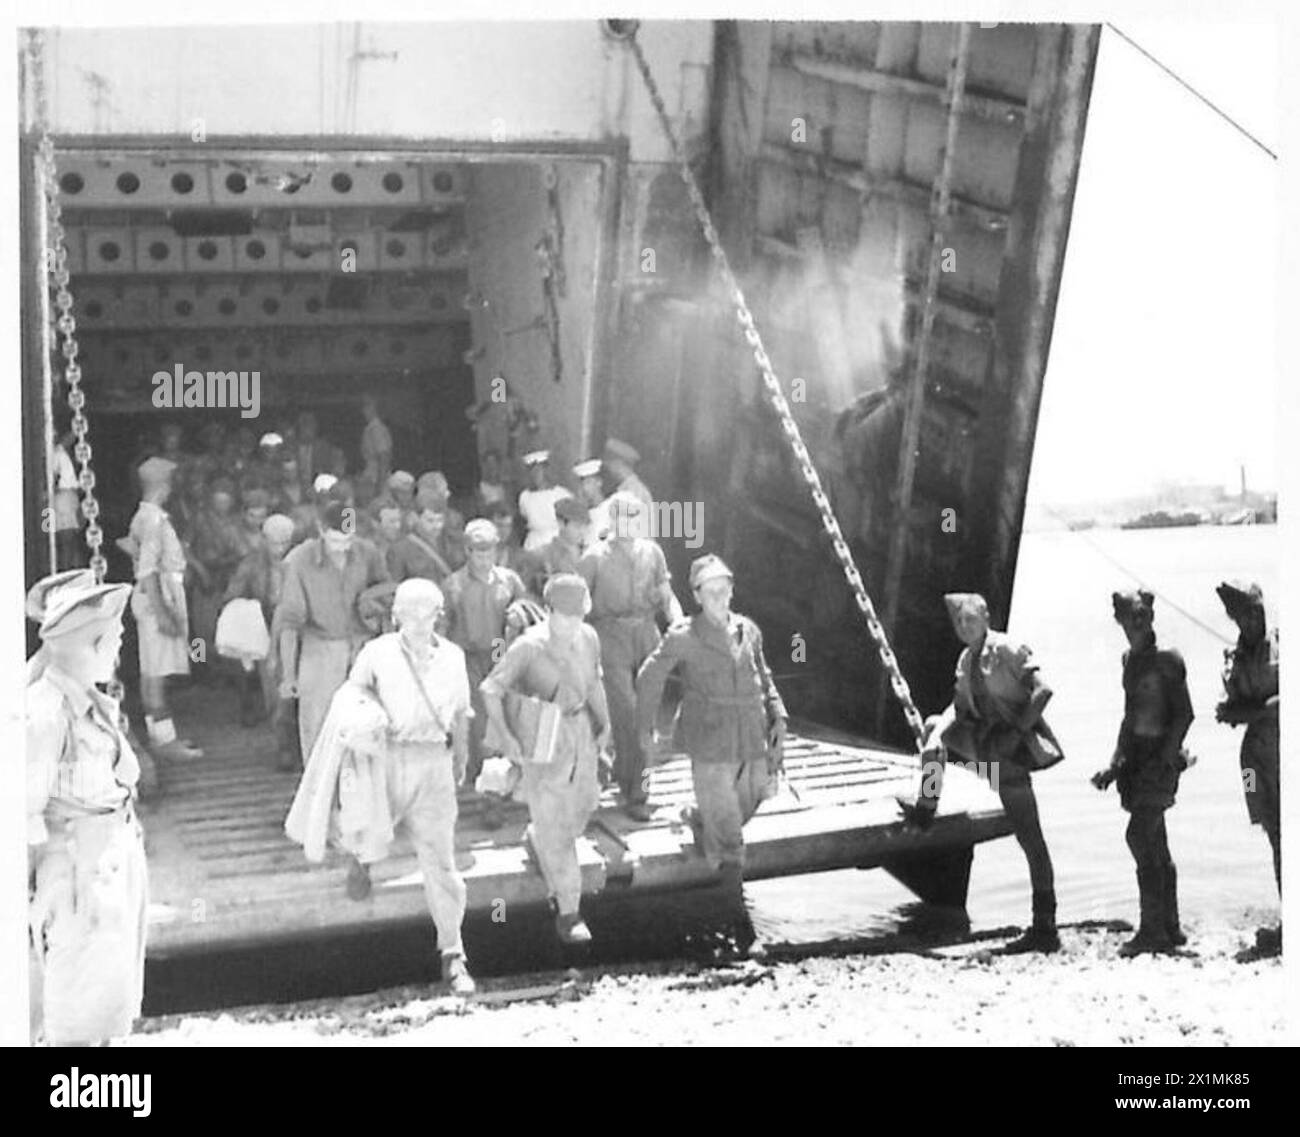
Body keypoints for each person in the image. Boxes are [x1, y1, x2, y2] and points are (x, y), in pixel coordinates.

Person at [286, 579, 476, 995]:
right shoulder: (378, 653)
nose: (419, 622)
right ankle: (362, 860)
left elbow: (462, 713)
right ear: (396, 616)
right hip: (387, 756)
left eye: (427, 613)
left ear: (439, 615)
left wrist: (461, 758)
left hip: (433, 761)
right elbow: (351, 693)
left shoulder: (454, 659)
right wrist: (364, 721)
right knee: (367, 825)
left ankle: (453, 952)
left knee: (441, 859)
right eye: (410, 613)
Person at [635, 555, 786, 957]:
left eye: (725, 589)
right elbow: (649, 677)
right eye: (711, 591)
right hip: (711, 738)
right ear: (697, 596)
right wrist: (645, 728)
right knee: (731, 836)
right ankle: (743, 931)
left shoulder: (747, 630)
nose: (720, 597)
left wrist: (778, 714)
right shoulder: (684, 635)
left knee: (751, 801)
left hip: (750, 735)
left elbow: (763, 675)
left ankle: (703, 822)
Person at [903, 592, 1064, 953]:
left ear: (986, 617)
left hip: (1010, 755)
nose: (964, 627)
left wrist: (1016, 732)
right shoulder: (966, 659)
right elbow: (959, 708)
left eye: (971, 620)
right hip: (986, 747)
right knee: (932, 728)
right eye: (959, 622)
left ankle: (1045, 926)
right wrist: (939, 738)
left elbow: (1043, 692)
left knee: (1031, 840)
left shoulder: (1006, 648)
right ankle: (926, 808)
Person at [26, 572, 147, 1045]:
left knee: (105, 1009)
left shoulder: (91, 702)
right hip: (78, 882)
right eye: (111, 640)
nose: (117, 650)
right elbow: (20, 817)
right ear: (85, 643)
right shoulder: (46, 713)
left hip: (109, 869)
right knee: (75, 1015)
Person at [480, 574, 611, 945]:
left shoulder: (588, 638)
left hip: (581, 730)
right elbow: (491, 688)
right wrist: (506, 737)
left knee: (583, 808)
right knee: (556, 824)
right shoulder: (527, 647)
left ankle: (537, 839)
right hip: (544, 735)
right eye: (565, 615)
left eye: (579, 615)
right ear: (550, 611)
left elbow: (596, 681)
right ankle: (569, 912)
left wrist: (606, 725)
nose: (572, 623)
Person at [1092, 590, 1194, 957]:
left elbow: (1184, 714)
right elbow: (1129, 716)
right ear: (1119, 620)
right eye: (1130, 617)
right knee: (1156, 840)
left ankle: (1153, 930)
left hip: (1160, 760)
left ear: (1151, 616)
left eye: (1143, 615)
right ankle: (1169, 925)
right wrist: (1115, 763)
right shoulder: (1129, 660)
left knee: (1138, 836)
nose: (1138, 623)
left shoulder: (1168, 657)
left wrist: (1167, 758)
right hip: (1136, 760)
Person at [579, 492, 684, 821]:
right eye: (623, 517)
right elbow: (578, 606)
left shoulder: (652, 553)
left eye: (635, 517)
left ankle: (627, 774)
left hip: (647, 633)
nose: (629, 524)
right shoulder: (594, 558)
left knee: (647, 714)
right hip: (610, 636)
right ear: (611, 520)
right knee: (625, 711)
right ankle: (636, 790)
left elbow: (668, 597)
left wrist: (680, 625)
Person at [277, 501, 390, 760]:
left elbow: (386, 589)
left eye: (348, 541)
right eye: (336, 542)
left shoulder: (368, 552)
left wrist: (373, 604)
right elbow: (290, 622)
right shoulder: (299, 560)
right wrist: (288, 676)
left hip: (362, 647)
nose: (342, 549)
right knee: (318, 729)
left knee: (367, 727)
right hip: (319, 648)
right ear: (321, 530)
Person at [1215, 580, 1280, 958]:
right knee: (1271, 831)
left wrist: (1252, 710)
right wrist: (1254, 709)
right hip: (1253, 762)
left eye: (1253, 610)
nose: (1250, 619)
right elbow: (1226, 710)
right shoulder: (1233, 656)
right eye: (1241, 615)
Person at [442, 519, 528, 805]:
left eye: (489, 552)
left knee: (506, 716)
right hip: (467, 656)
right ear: (467, 551)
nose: (484, 559)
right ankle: (484, 787)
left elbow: (527, 606)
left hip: (500, 652)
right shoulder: (454, 585)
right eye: (479, 553)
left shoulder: (509, 580)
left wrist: (518, 612)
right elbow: (442, 628)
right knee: (479, 722)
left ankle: (506, 779)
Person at [127, 456, 204, 761]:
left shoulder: (143, 516)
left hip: (154, 598)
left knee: (152, 671)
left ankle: (161, 735)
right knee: (157, 674)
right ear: (163, 485)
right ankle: (165, 742)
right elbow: (148, 571)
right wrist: (162, 613)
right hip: (158, 599)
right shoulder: (155, 520)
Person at [223, 513, 295, 731]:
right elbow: (231, 595)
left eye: (284, 543)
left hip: (293, 625)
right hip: (264, 626)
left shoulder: (300, 559)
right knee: (272, 679)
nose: (279, 549)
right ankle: (281, 732)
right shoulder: (251, 563)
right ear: (264, 539)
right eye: (274, 543)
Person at [517, 450, 572, 552]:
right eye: (532, 471)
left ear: (546, 469)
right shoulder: (524, 496)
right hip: (533, 545)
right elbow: (524, 518)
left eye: (538, 470)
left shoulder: (561, 494)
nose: (535, 474)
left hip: (555, 544)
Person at [530, 496, 589, 592]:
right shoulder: (544, 555)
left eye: (585, 527)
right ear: (561, 523)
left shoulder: (590, 553)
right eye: (577, 527)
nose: (582, 532)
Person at [388, 505, 456, 584]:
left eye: (440, 520)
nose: (437, 526)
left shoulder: (449, 541)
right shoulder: (400, 549)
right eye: (430, 521)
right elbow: (395, 585)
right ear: (416, 518)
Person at [51, 421, 87, 570]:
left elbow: (69, 439)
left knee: (73, 539)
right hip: (62, 498)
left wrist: (76, 428)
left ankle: (72, 569)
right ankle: (65, 570)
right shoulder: (53, 454)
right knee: (66, 539)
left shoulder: (59, 451)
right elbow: (52, 478)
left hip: (70, 496)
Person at [359, 395, 394, 502]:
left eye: (367, 406)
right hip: (371, 478)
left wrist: (380, 485)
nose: (363, 410)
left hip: (376, 479)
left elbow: (384, 457)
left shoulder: (376, 429)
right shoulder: (371, 429)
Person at [603, 438, 653, 510]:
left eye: (610, 464)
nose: (609, 470)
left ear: (618, 464)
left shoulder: (633, 490)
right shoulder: (630, 487)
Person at [572, 457, 608, 547]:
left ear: (599, 482)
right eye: (582, 484)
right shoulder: (584, 515)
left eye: (588, 482)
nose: (584, 488)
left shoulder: (610, 509)